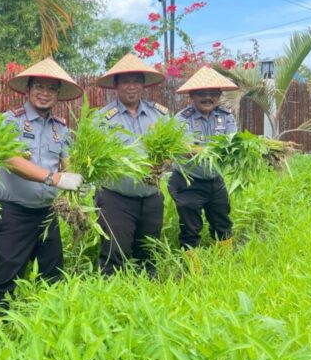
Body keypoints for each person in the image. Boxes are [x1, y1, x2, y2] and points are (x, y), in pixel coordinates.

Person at [0, 58, 84, 312]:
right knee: (6, 275)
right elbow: (9, 158)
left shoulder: (60, 128)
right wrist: (52, 178)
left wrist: (75, 183)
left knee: (52, 275)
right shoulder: (9, 120)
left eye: (52, 89)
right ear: (27, 90)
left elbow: (67, 162)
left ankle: (46, 324)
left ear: (58, 95)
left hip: (47, 214)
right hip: (13, 213)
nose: (45, 93)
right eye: (39, 86)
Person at [94, 53, 168, 276]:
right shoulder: (102, 119)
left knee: (149, 254)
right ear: (116, 85)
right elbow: (95, 159)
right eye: (125, 81)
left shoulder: (160, 115)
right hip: (116, 198)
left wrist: (163, 163)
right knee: (114, 254)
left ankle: (148, 299)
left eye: (136, 80)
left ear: (143, 84)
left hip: (151, 196)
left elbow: (172, 151)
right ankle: (111, 300)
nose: (131, 86)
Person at [168, 66, 238, 251]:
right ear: (192, 95)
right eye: (202, 93)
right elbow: (185, 148)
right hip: (188, 181)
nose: (208, 97)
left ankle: (225, 265)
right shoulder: (182, 119)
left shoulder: (226, 116)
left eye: (213, 93)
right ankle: (194, 271)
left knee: (223, 223)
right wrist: (212, 149)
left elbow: (232, 144)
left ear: (219, 94)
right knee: (190, 228)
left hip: (215, 180)